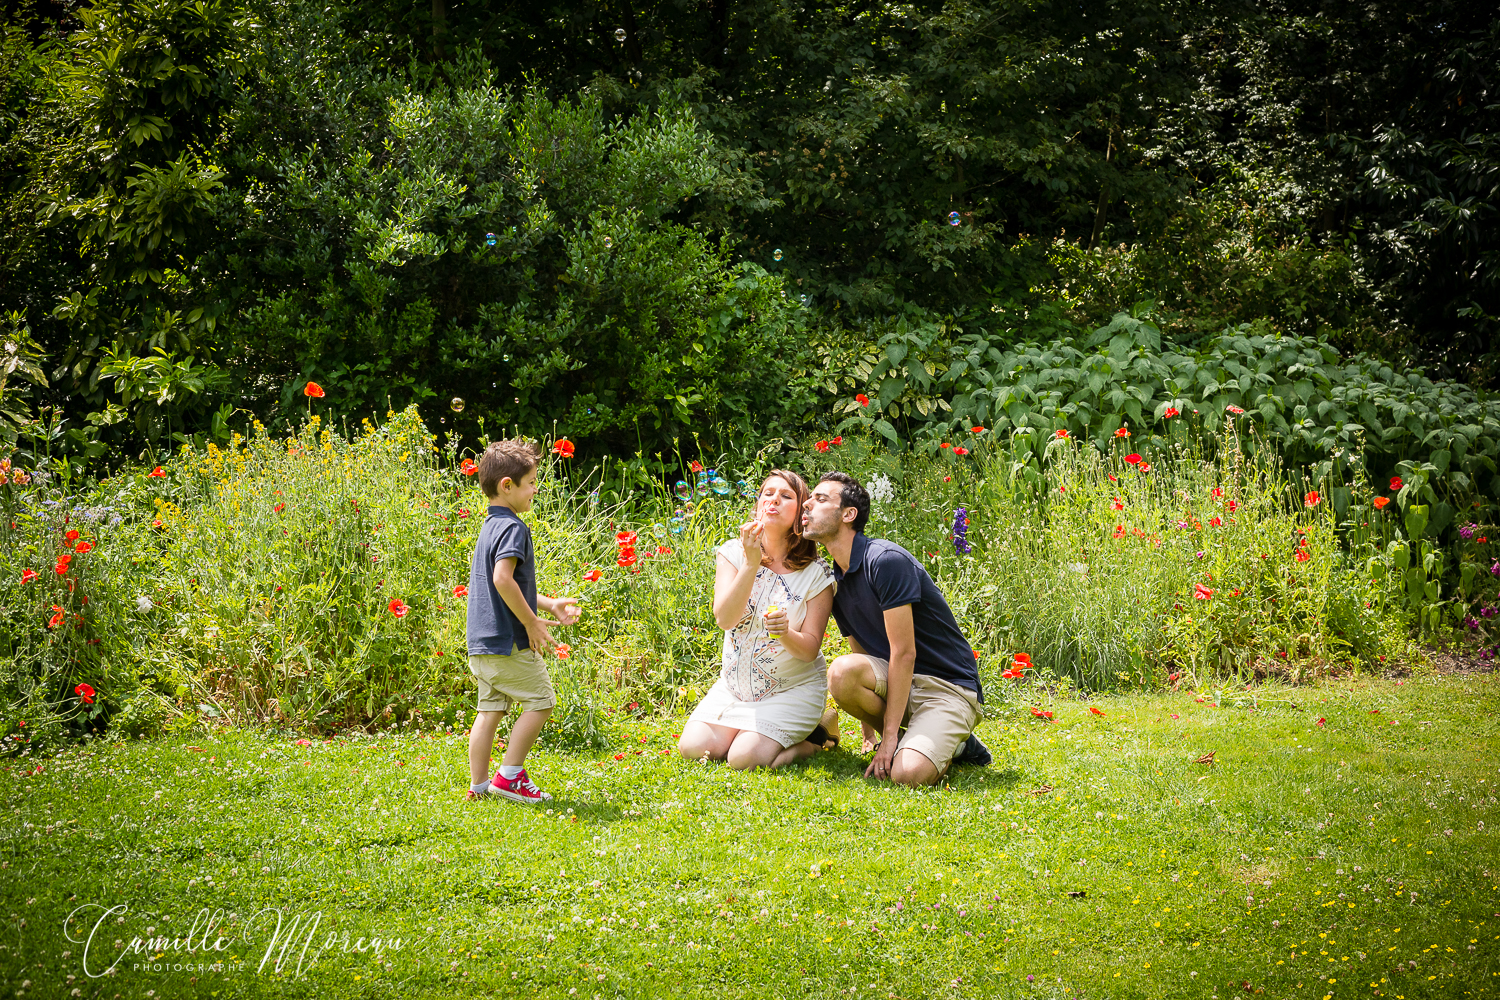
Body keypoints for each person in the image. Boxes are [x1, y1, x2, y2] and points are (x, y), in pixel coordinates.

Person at [800, 471, 991, 786]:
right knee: (842, 672)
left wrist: (889, 740)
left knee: (907, 775)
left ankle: (952, 743)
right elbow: (860, 652)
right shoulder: (835, 578)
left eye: (820, 499)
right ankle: (930, 740)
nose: (807, 504)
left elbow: (904, 652)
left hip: (946, 688)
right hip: (900, 682)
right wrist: (868, 728)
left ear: (848, 514)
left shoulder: (885, 561)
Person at [678, 470, 840, 769]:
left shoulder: (818, 575)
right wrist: (751, 563)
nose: (774, 500)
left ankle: (818, 738)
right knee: (693, 748)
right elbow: (725, 619)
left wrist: (786, 633)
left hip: (792, 690)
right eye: (767, 493)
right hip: (734, 688)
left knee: (744, 758)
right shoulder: (733, 554)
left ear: (800, 513)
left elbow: (808, 650)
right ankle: (750, 731)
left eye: (786, 496)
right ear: (757, 504)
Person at [464, 439, 580, 803]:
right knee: (542, 700)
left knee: (490, 710)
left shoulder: (490, 526)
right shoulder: (514, 528)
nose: (535, 490)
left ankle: (479, 785)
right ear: (507, 486)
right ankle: (510, 776)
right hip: (507, 641)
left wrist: (547, 605)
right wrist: (532, 622)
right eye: (530, 482)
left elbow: (505, 583)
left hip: (482, 645)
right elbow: (502, 579)